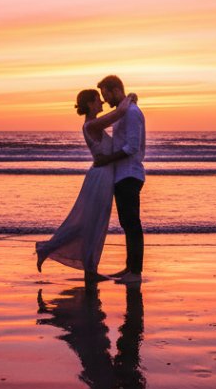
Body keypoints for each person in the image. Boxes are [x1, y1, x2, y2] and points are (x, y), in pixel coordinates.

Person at [36, 88, 136, 281]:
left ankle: (89, 267)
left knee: (94, 223)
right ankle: (58, 254)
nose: (102, 103)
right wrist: (130, 97)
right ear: (90, 104)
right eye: (98, 100)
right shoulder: (91, 125)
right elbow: (120, 113)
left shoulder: (94, 125)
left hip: (104, 176)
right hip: (100, 178)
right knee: (92, 223)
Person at [93, 75, 145, 284]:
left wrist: (107, 159)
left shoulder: (131, 113)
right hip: (122, 174)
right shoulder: (123, 112)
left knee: (132, 223)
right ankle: (129, 267)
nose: (105, 101)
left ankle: (136, 272)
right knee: (127, 223)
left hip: (129, 173)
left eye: (106, 94)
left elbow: (131, 147)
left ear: (115, 90)